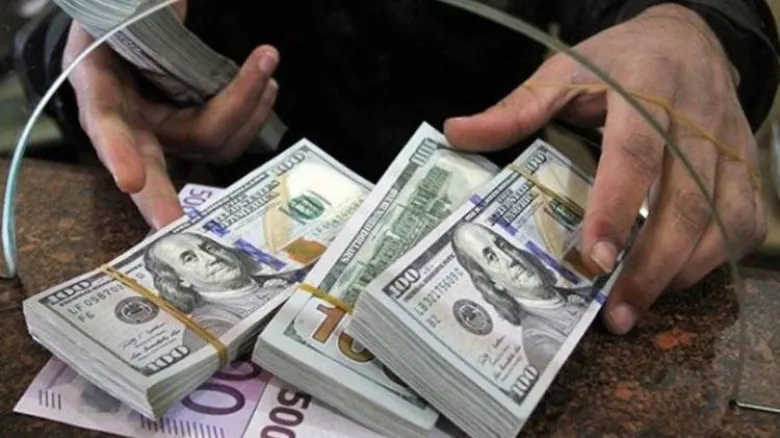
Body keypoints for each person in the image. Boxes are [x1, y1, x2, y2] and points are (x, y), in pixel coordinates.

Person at [22, 0, 780, 337]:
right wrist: (92, 51)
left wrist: (691, 25)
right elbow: (59, 28)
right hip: (218, 208)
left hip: (483, 201)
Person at [451, 221, 595, 370]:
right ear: (492, 282)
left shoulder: (586, 293)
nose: (510, 259)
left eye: (501, 245)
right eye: (492, 257)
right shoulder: (542, 343)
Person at [143, 232, 309, 339]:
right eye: (190, 259)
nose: (212, 258)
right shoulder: (210, 324)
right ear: (180, 280)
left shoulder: (291, 277)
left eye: (209, 248)